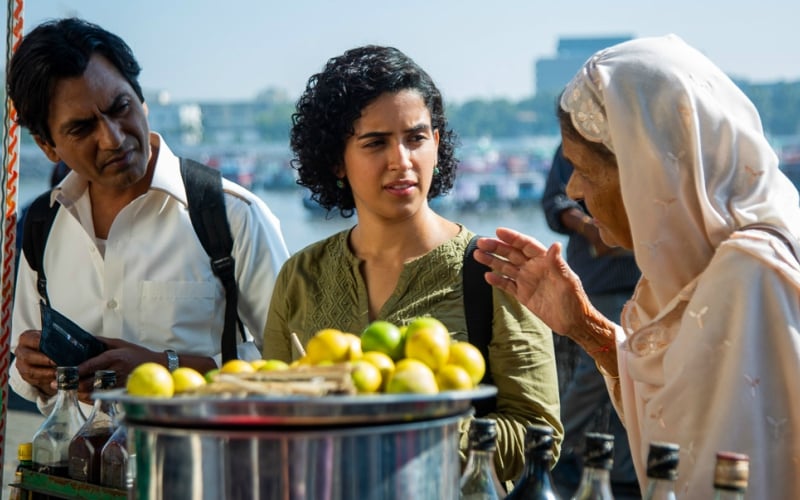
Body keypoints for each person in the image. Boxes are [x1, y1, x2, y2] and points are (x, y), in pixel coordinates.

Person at [474, 34, 800, 498]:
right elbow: (675, 418)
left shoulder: (750, 276)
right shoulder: (703, 265)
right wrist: (584, 325)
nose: (577, 192)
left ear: (647, 171)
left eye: (584, 169)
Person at [262, 45, 562, 483]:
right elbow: (271, 414)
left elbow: (539, 436)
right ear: (336, 161)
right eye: (375, 143)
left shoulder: (494, 271)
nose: (401, 161)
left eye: (415, 138)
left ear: (437, 146)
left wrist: (405, 438)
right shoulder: (301, 276)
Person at [7, 17, 290, 415]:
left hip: (203, 471)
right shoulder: (42, 224)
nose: (113, 138)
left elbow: (294, 371)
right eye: (82, 128)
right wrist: (30, 367)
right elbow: (23, 363)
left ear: (142, 101)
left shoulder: (232, 217)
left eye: (120, 107)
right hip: (77, 474)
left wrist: (164, 368)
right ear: (48, 146)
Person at [542, 144, 641, 498]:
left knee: (634, 371)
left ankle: (627, 469)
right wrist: (592, 228)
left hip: (644, 278)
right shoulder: (574, 145)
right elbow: (556, 204)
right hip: (598, 278)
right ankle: (547, 447)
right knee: (596, 371)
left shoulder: (634, 137)